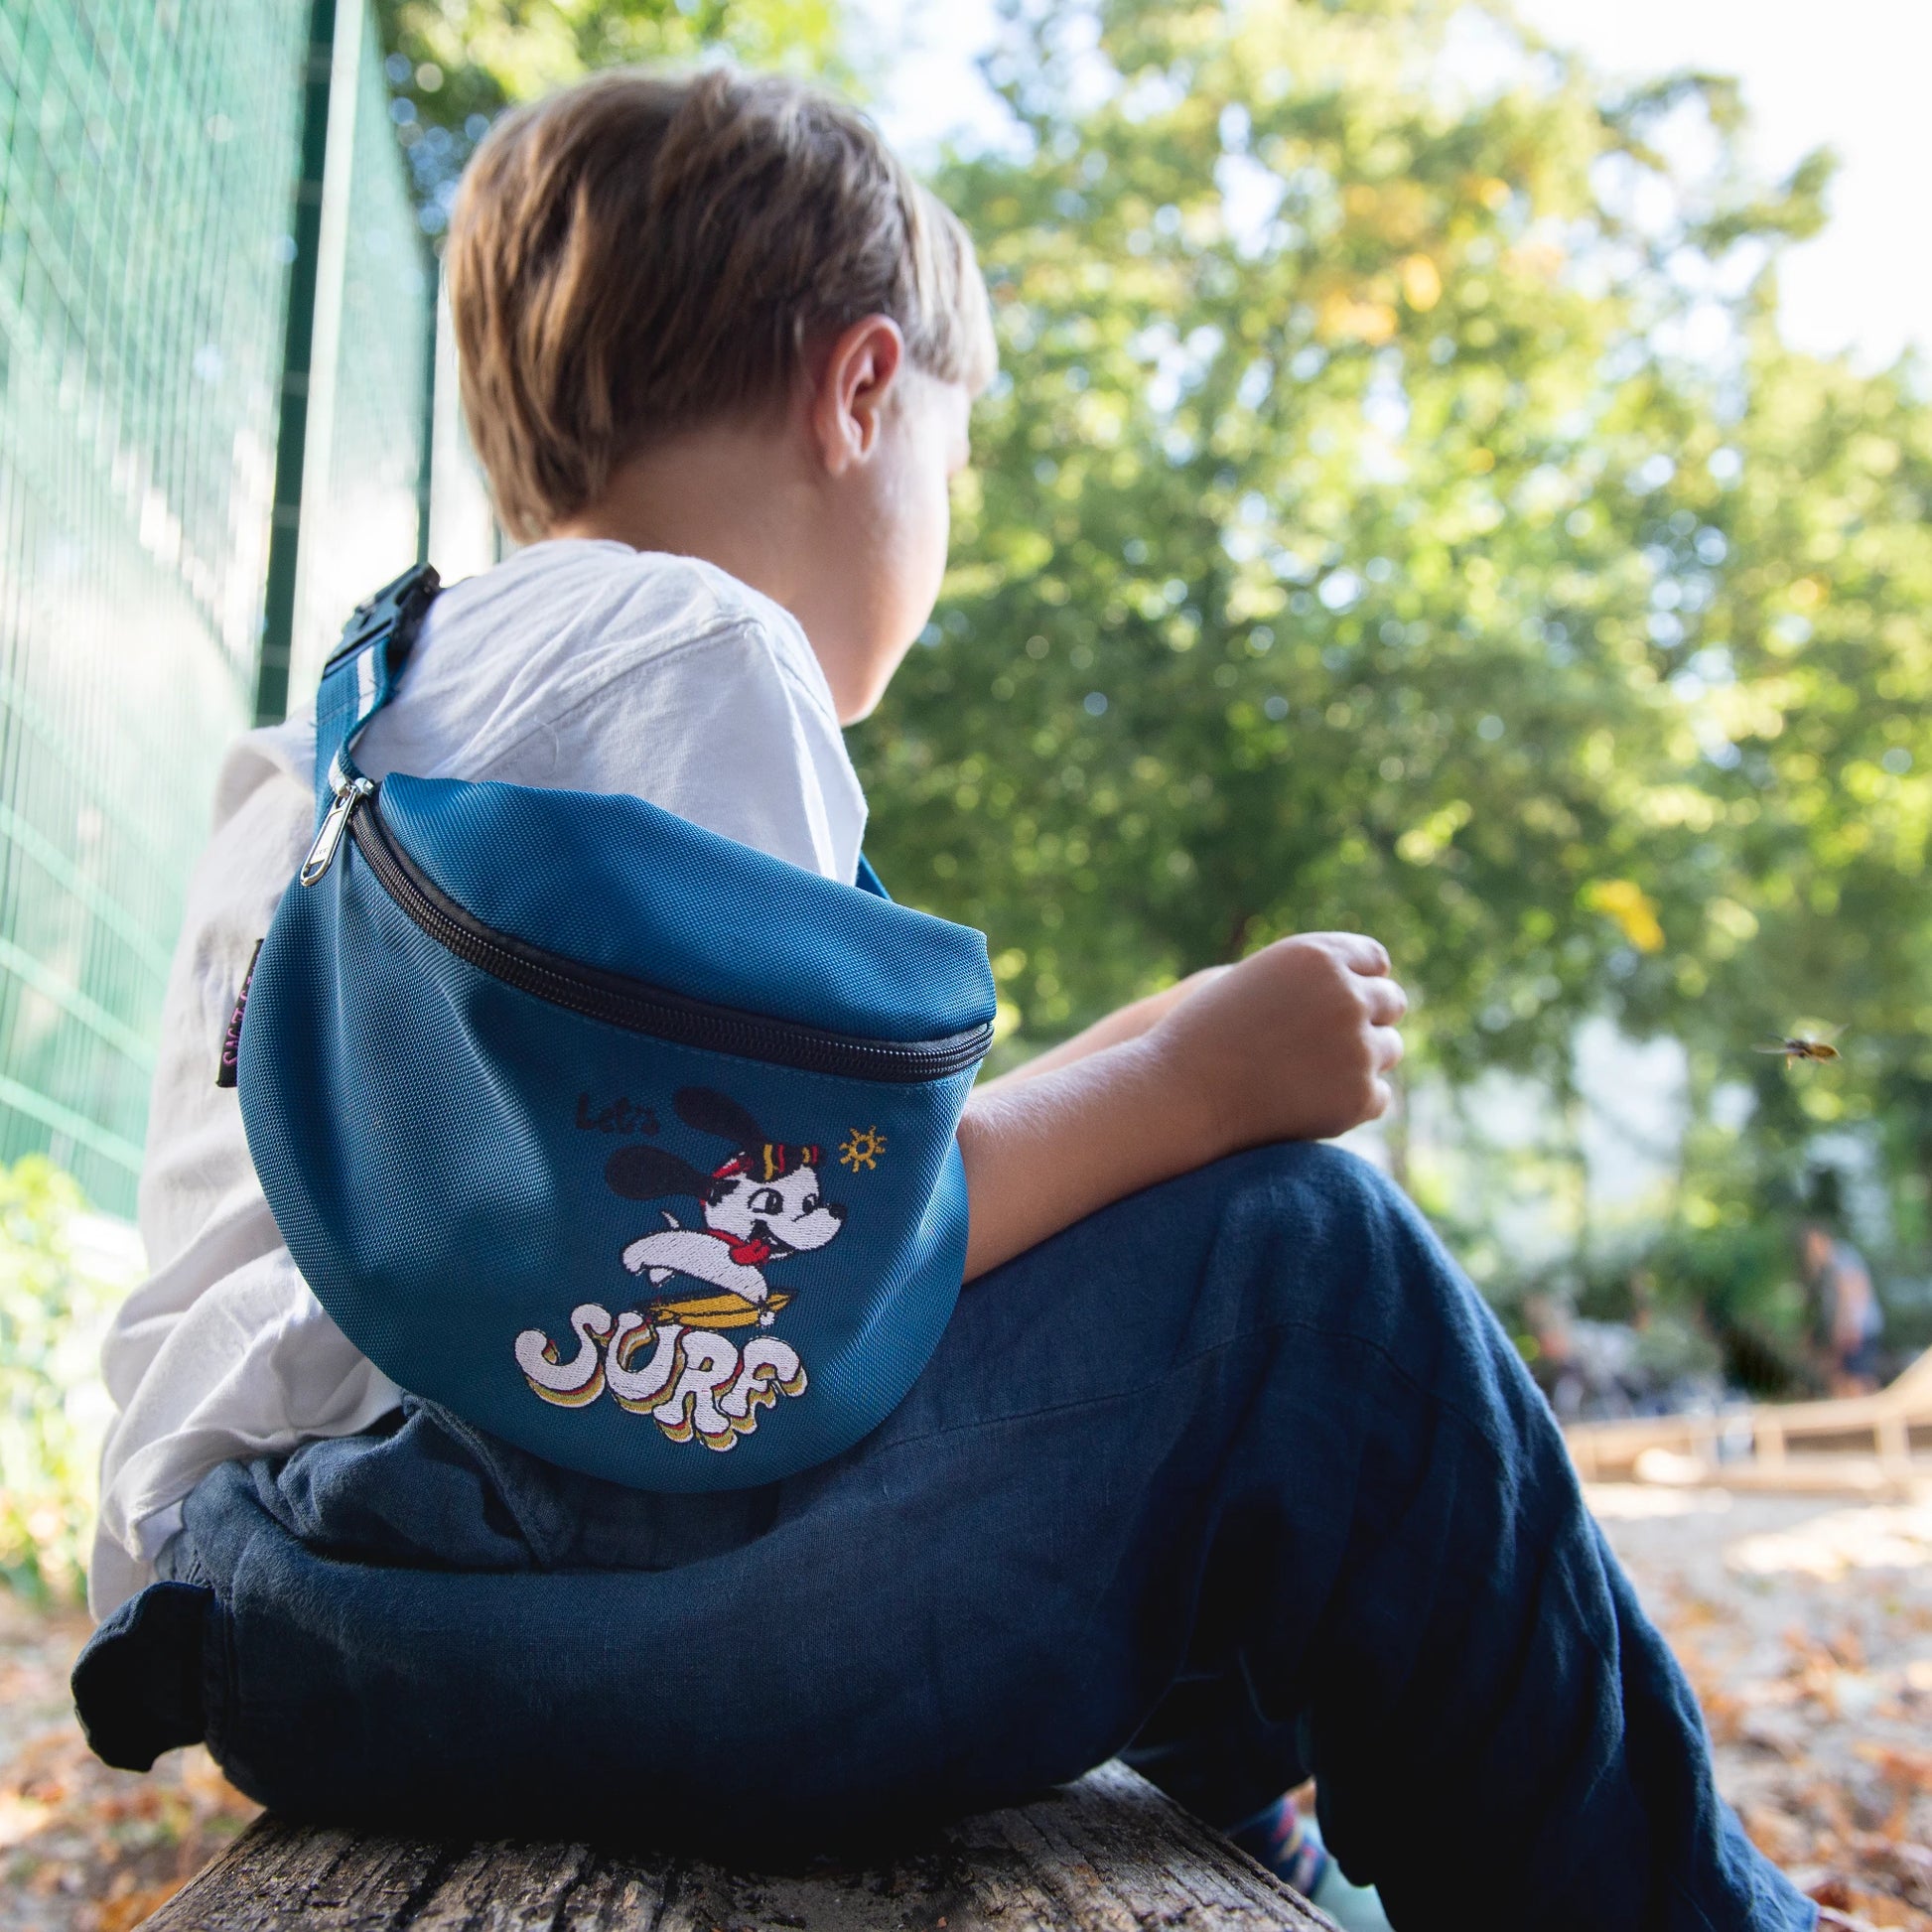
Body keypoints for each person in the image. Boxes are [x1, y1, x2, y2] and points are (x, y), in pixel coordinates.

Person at [75, 68, 1814, 1932]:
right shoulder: (696, 645)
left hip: (275, 1599)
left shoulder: (354, 711)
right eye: (957, 459)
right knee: (1306, 1279)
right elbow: (792, 1297)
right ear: (863, 392)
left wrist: (1160, 1055)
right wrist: (1200, 1099)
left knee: (1154, 1308)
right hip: (502, 1572)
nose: (948, 508)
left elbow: (696, 1217)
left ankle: (1245, 1832)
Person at [1798, 1222, 1884, 1395]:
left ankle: (1871, 1416)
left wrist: (1848, 1327)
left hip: (1858, 1328)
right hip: (1855, 1327)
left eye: (1813, 1245)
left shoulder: (1842, 1258)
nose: (1811, 1251)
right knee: (1851, 1376)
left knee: (1858, 1377)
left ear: (1824, 1240)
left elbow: (1854, 1294)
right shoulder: (1832, 1263)